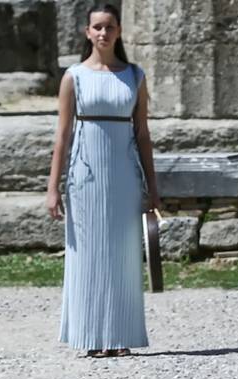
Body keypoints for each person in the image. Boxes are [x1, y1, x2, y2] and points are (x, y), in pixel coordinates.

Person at [46, 2, 159, 358]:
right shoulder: (74, 76)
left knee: (123, 253)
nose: (103, 33)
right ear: (87, 32)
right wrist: (53, 187)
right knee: (89, 253)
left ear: (119, 31)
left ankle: (120, 333)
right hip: (85, 175)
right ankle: (91, 335)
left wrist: (152, 186)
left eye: (109, 27)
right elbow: (62, 135)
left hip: (123, 174)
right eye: (97, 27)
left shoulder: (134, 76)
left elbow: (143, 134)